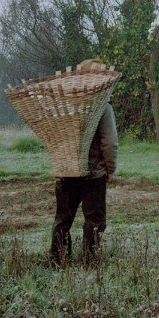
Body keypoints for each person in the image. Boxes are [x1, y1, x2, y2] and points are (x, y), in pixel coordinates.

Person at [49, 92, 118, 267]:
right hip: (93, 174)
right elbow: (109, 142)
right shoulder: (103, 107)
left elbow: (55, 138)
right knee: (94, 220)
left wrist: (59, 166)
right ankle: (89, 261)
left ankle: (58, 260)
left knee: (63, 219)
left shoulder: (65, 106)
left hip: (67, 172)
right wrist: (110, 169)